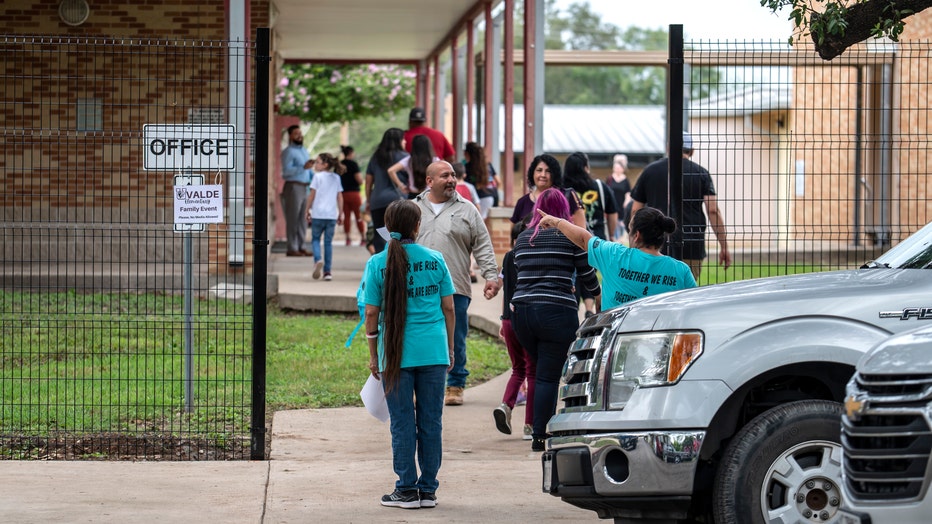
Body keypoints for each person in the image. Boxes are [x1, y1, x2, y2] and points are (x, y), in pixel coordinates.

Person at [363, 199, 456, 510]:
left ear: (388, 228)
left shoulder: (378, 263)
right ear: (418, 226)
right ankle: (428, 490)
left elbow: (372, 313)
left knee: (402, 423)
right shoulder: (436, 259)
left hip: (396, 353)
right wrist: (451, 347)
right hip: (434, 351)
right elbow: (449, 308)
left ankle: (405, 490)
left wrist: (374, 354)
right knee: (432, 421)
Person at [510, 188, 600, 452]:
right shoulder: (569, 238)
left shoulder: (524, 237)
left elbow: (522, 272)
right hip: (556, 313)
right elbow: (587, 276)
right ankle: (541, 435)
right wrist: (596, 294)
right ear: (564, 211)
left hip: (523, 315)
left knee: (537, 372)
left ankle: (538, 430)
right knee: (550, 377)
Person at [414, 161, 501, 406]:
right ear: (429, 181)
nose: (452, 179)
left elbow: (482, 244)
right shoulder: (413, 207)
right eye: (445, 176)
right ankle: (420, 384)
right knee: (418, 335)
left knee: (456, 336)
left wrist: (490, 276)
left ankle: (455, 384)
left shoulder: (467, 209)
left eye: (453, 175)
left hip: (455, 286)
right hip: (417, 288)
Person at [537, 206, 697, 310]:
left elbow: (583, 238)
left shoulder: (614, 255)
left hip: (617, 339)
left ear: (637, 235)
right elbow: (693, 307)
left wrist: (556, 221)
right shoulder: (681, 270)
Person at [630, 132, 732, 280]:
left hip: (656, 242)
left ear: (668, 148)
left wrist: (634, 241)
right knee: (686, 292)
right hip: (692, 243)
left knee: (655, 292)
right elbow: (712, 210)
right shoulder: (701, 173)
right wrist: (724, 245)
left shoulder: (650, 171)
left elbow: (635, 209)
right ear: (692, 150)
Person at [493, 217, 535, 441]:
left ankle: (506, 405)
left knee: (518, 369)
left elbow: (504, 290)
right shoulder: (531, 258)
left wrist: (503, 320)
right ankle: (530, 425)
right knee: (532, 371)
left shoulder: (507, 258)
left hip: (508, 321)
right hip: (525, 320)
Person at [563, 151, 619, 317]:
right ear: (586, 167)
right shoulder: (600, 187)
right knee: (589, 271)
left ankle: (576, 307)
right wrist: (612, 235)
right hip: (595, 238)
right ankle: (589, 308)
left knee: (574, 272)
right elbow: (613, 213)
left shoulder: (562, 190)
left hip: (568, 237)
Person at [510, 153, 585, 229]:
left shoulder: (567, 196)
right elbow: (514, 235)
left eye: (548, 171)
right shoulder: (522, 202)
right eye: (539, 170)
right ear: (532, 173)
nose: (543, 175)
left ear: (555, 174)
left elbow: (582, 231)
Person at [366, 128, 410, 254]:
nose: (405, 142)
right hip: (398, 200)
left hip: (378, 201)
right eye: (403, 139)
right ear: (399, 140)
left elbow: (368, 182)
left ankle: (382, 265)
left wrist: (369, 201)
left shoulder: (375, 157)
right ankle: (399, 263)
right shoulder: (405, 157)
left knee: (379, 234)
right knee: (401, 234)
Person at [307, 152, 345, 281]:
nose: (316, 164)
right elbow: (339, 196)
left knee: (315, 240)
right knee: (328, 243)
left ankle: (318, 260)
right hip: (331, 216)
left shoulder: (317, 177)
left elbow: (312, 195)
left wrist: (307, 210)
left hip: (318, 214)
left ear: (325, 164)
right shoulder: (336, 178)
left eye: (318, 162)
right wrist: (341, 213)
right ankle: (327, 272)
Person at [280, 124, 314, 256]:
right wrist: (302, 168)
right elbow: (286, 172)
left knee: (303, 219)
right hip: (293, 186)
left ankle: (301, 246)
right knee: (293, 219)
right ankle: (292, 248)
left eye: (300, 133)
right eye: (296, 133)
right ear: (290, 136)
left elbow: (309, 170)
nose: (299, 136)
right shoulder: (288, 152)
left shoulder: (304, 150)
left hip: (305, 187)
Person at [463, 142, 496, 222]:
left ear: (467, 153)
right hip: (490, 197)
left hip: (475, 200)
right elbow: (497, 181)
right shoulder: (488, 165)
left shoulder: (467, 167)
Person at [339, 145, 365, 246]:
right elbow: (359, 180)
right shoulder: (353, 164)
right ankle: (363, 237)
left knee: (346, 217)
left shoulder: (340, 164)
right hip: (354, 194)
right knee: (359, 216)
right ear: (351, 153)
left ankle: (348, 238)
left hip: (342, 194)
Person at [605, 154, 633, 242]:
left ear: (623, 169)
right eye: (615, 167)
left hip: (621, 204)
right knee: (612, 220)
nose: (617, 169)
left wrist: (627, 201)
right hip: (612, 203)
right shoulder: (609, 179)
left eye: (619, 168)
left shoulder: (625, 180)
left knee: (621, 222)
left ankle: (620, 239)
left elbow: (628, 193)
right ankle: (613, 238)